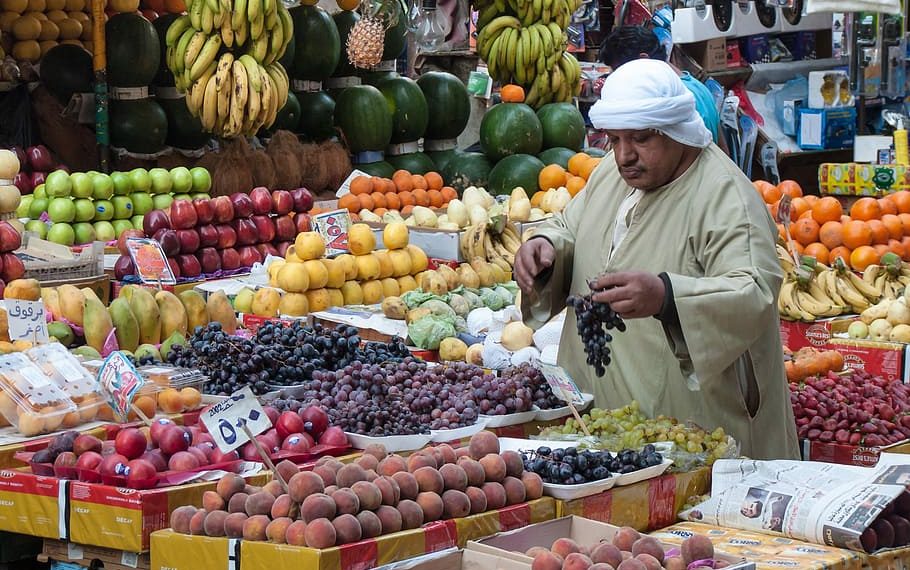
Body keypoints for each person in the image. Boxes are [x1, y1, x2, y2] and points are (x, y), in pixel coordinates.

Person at [514, 59, 799, 461]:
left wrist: (667, 296)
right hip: (606, 421)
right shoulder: (611, 175)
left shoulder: (725, 197)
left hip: (692, 431)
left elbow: (755, 292)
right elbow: (570, 226)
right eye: (614, 140)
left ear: (675, 130)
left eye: (641, 139)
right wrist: (544, 246)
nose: (624, 155)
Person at [600, 25, 722, 147]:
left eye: (618, 71)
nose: (617, 80)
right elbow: (723, 150)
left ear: (643, 60)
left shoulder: (669, 98)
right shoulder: (699, 87)